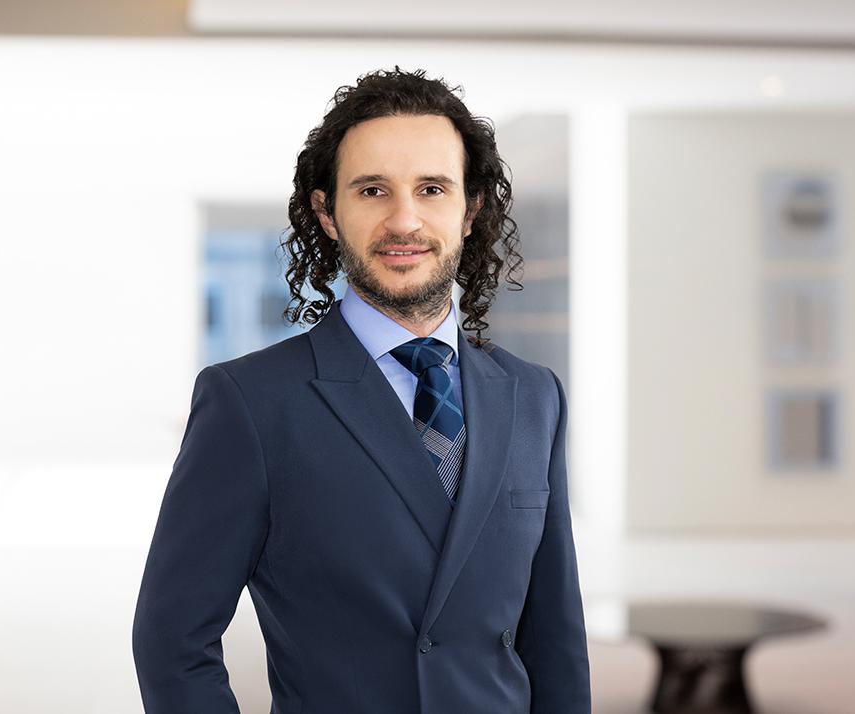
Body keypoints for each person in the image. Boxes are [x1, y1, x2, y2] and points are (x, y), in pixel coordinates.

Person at [132, 67, 591, 714]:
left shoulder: (535, 397)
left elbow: (556, 639)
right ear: (327, 213)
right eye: (373, 190)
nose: (404, 219)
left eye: (431, 188)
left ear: (470, 210)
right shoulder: (251, 402)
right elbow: (173, 641)